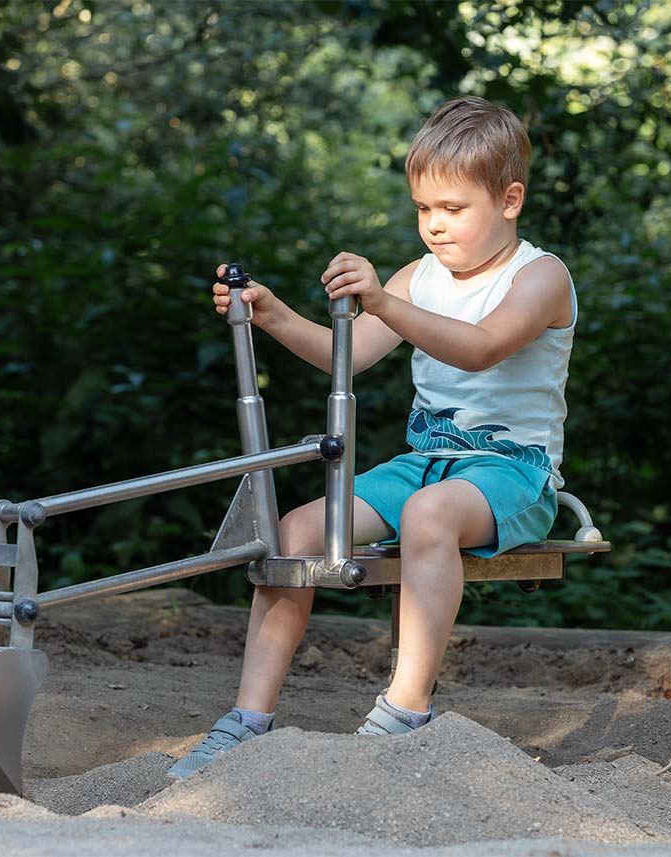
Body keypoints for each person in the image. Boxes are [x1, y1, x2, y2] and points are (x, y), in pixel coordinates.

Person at [166, 95, 577, 780]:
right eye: (423, 209)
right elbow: (344, 355)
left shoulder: (541, 276)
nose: (434, 227)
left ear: (509, 199)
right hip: (427, 465)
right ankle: (247, 719)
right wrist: (273, 315)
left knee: (429, 512)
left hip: (513, 472)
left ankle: (404, 709)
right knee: (296, 528)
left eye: (453, 209)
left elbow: (479, 348)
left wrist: (384, 300)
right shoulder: (420, 276)